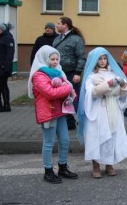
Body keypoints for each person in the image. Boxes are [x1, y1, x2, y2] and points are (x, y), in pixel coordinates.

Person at [78, 47, 127, 178]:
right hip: (98, 110)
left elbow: (121, 92)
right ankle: (96, 165)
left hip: (112, 109)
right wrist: (109, 86)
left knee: (111, 135)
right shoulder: (91, 76)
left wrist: (121, 88)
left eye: (105, 58)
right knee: (97, 136)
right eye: (100, 59)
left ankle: (109, 163)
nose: (103, 61)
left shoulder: (113, 74)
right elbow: (92, 92)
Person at [29, 45, 78, 183]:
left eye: (57, 59)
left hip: (60, 110)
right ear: (45, 59)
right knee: (49, 142)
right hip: (48, 112)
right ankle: (48, 170)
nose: (55, 62)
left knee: (65, 140)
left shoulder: (58, 72)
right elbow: (50, 93)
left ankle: (62, 167)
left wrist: (67, 90)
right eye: (52, 59)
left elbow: (67, 90)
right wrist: (67, 87)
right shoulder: (39, 75)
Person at [52, 17, 86, 130]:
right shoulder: (57, 39)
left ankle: (83, 121)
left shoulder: (76, 39)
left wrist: (77, 73)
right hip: (59, 73)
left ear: (65, 25)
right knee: (63, 98)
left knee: (74, 97)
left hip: (72, 73)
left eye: (58, 23)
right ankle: (69, 122)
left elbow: (81, 57)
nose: (56, 25)